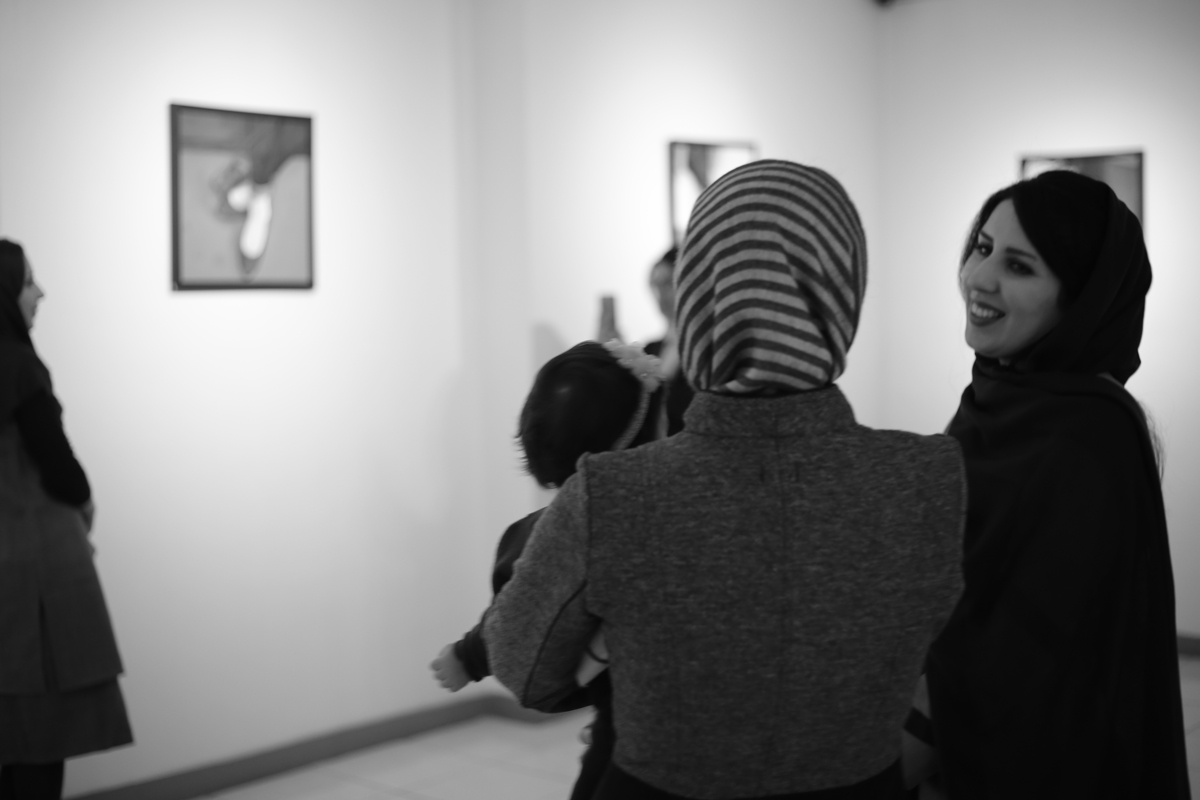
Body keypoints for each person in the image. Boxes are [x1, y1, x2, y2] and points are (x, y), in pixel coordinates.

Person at [483, 160, 966, 799]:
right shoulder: (929, 476)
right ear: (845, 289)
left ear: (698, 296)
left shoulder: (614, 492)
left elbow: (523, 667)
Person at [908, 171, 1191, 798]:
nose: (979, 278)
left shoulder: (1088, 438)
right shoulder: (996, 402)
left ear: (1079, 299)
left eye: (1019, 266)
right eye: (982, 248)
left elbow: (1033, 654)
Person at [429, 339, 664, 800]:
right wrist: (471, 654)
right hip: (635, 718)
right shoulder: (572, 531)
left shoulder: (554, 529)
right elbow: (519, 611)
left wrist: (468, 656)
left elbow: (518, 608)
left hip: (630, 713)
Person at [0, 240, 132, 800]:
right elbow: (61, 470)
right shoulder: (16, 364)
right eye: (29, 281)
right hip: (33, 579)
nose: (40, 293)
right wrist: (85, 501)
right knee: (38, 742)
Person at [632, 247, 694, 446]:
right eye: (656, 285)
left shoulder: (704, 350)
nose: (661, 295)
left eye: (667, 283)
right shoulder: (650, 350)